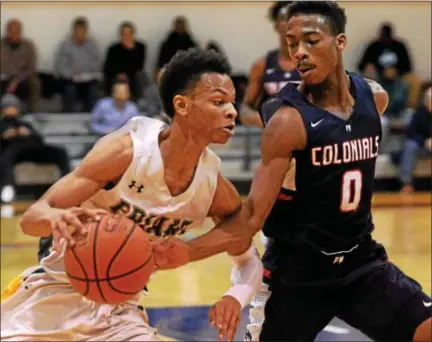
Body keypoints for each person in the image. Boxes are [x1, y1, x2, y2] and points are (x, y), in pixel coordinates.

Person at [168, 2, 431, 341]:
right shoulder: (288, 122)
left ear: (340, 42)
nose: (299, 53)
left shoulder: (373, 99)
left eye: (311, 41)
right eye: (292, 44)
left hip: (361, 262)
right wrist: (185, 251)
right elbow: (250, 219)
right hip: (296, 274)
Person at [0, 48, 262, 342]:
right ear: (182, 105)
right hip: (53, 292)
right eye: (218, 102)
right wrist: (57, 217)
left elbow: (246, 251)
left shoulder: (212, 186)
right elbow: (32, 220)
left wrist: (233, 295)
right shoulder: (125, 153)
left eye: (231, 102)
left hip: (119, 311)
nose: (232, 112)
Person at [0, 94, 70, 218]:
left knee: (60, 151)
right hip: (10, 153)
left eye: (14, 107)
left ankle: (67, 184)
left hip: (30, 151)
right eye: (8, 107)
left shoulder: (25, 124)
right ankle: (8, 188)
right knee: (6, 156)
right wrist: (5, 137)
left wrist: (29, 134)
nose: (12, 109)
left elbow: (40, 141)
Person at [240, 1, 301, 128]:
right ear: (276, 25)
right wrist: (260, 119)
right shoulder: (262, 65)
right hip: (272, 138)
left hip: (308, 139)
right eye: (284, 18)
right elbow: (245, 109)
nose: (289, 23)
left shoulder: (315, 63)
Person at [54, 17, 100, 113]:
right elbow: (60, 66)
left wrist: (86, 75)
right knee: (69, 89)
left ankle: (90, 115)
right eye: (77, 31)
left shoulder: (92, 46)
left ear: (86, 31)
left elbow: (96, 65)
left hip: (87, 80)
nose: (79, 34)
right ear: (73, 31)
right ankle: (69, 115)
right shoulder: (65, 45)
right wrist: (71, 75)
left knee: (93, 90)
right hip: (70, 80)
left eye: (82, 31)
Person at [399, 86, 432, 193]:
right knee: (410, 145)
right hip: (423, 147)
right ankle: (406, 183)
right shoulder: (420, 112)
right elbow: (410, 132)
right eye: (429, 100)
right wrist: (425, 141)